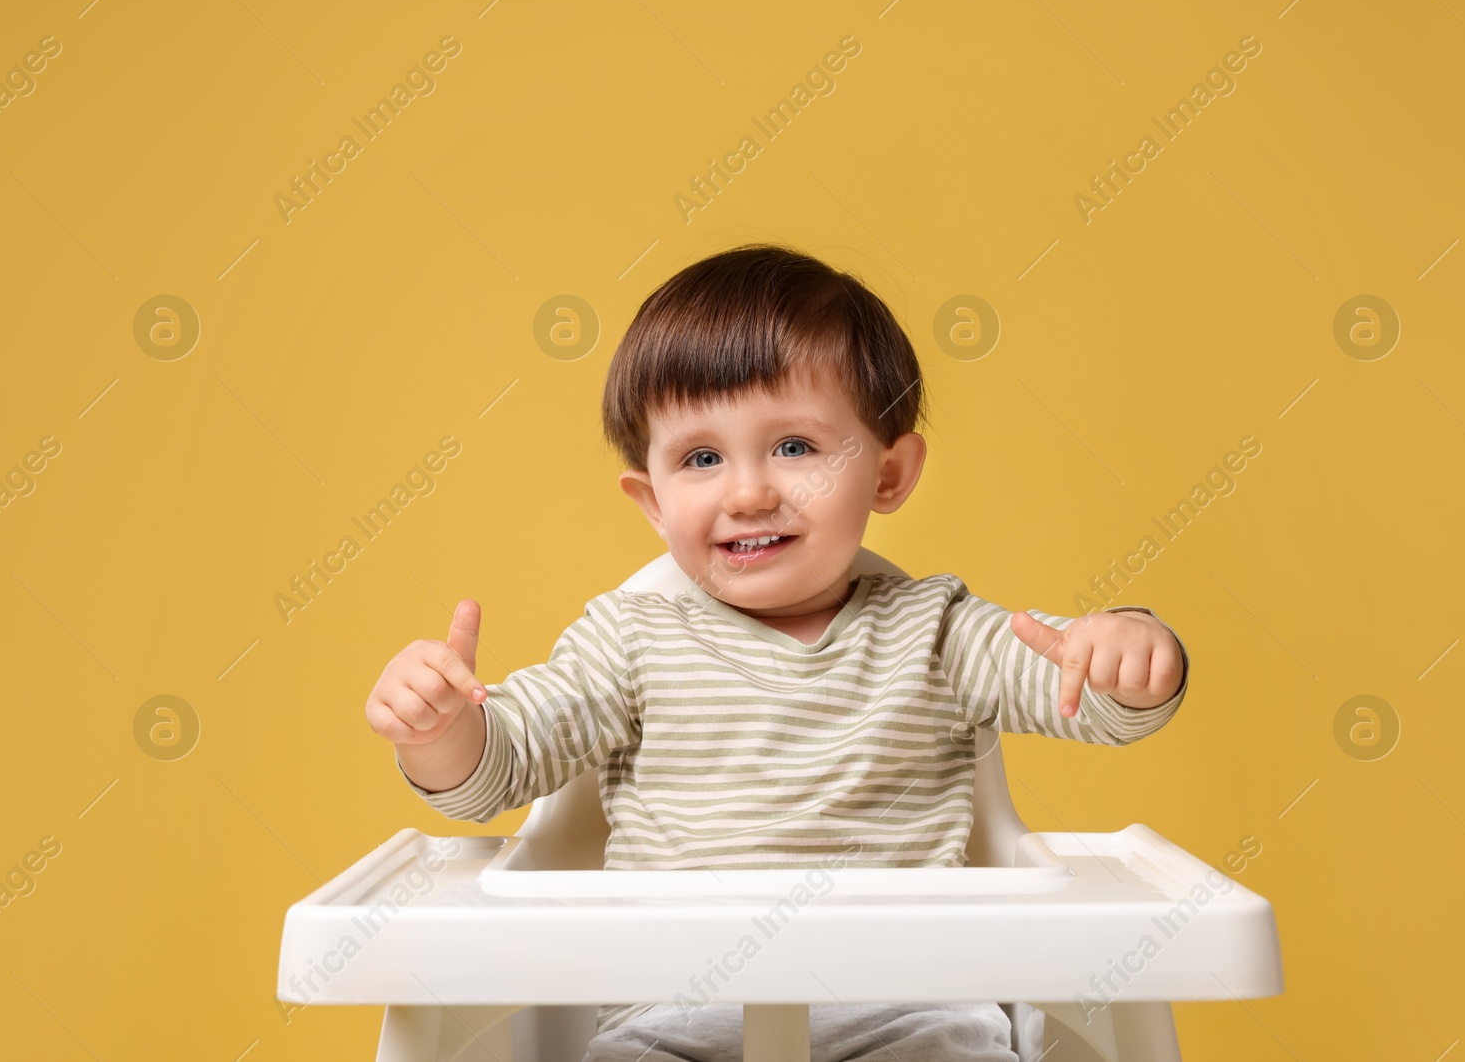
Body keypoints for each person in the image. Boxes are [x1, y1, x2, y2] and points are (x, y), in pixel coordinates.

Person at [365, 244, 1190, 1061]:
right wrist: (439, 729)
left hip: (909, 1012)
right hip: (677, 1015)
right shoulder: (629, 639)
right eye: (701, 458)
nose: (749, 491)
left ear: (890, 473)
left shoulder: (939, 631)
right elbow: (502, 767)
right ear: (652, 502)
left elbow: (1084, 694)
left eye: (794, 446)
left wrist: (1128, 654)